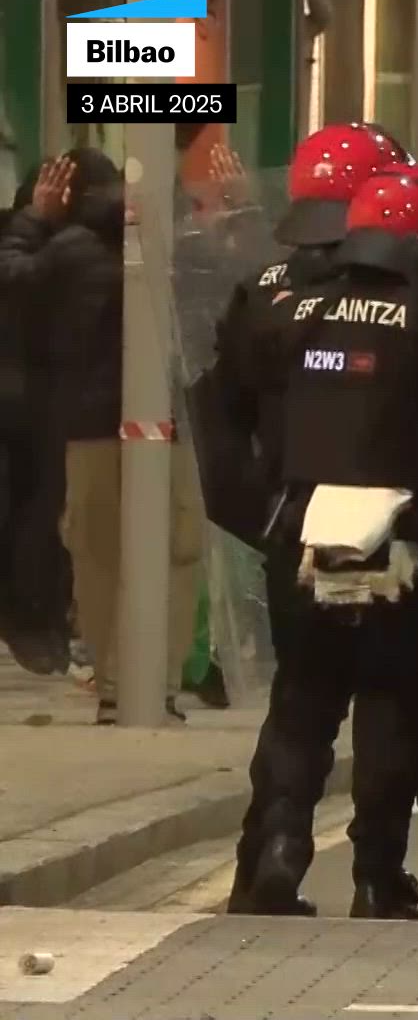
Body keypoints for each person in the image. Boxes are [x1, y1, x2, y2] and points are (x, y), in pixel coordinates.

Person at [204, 123, 418, 921]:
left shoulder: (272, 299)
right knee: (392, 698)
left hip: (300, 523)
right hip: (400, 530)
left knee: (303, 698)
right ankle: (379, 873)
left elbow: (220, 413)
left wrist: (264, 514)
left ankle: (274, 855)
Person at [0, 149, 202, 721]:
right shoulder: (173, 241)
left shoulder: (68, 247)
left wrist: (34, 219)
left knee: (97, 555)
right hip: (170, 422)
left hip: (89, 423)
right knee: (174, 552)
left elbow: (11, 279)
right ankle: (161, 683)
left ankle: (114, 686)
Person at [0, 164, 71, 676]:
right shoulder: (44, 250)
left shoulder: (61, 250)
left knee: (36, 517)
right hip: (35, 404)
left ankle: (32, 619)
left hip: (40, 404)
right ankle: (29, 620)